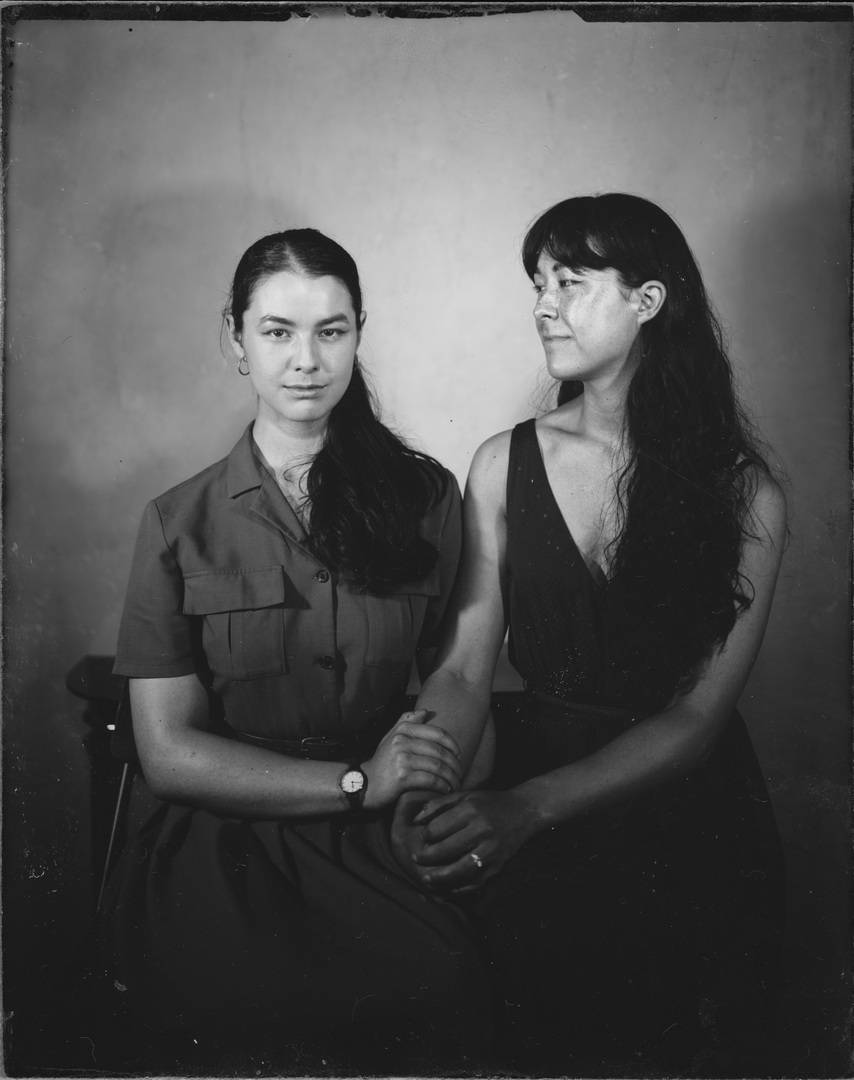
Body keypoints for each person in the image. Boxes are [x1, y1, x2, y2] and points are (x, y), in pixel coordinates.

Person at [392, 194, 787, 1075]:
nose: (542, 304)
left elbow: (696, 722)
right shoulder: (502, 461)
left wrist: (528, 809)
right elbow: (462, 670)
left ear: (648, 300)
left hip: (684, 815)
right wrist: (430, 789)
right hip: (524, 782)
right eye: (537, 282)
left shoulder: (746, 496)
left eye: (569, 281)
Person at [101, 228, 494, 1074]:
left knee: (444, 982)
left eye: (332, 330)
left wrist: (420, 780)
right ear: (234, 339)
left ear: (360, 334)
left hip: (383, 835)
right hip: (223, 838)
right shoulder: (179, 521)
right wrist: (358, 784)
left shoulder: (425, 496)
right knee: (241, 1002)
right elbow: (166, 755)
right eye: (277, 331)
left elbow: (458, 677)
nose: (306, 359)